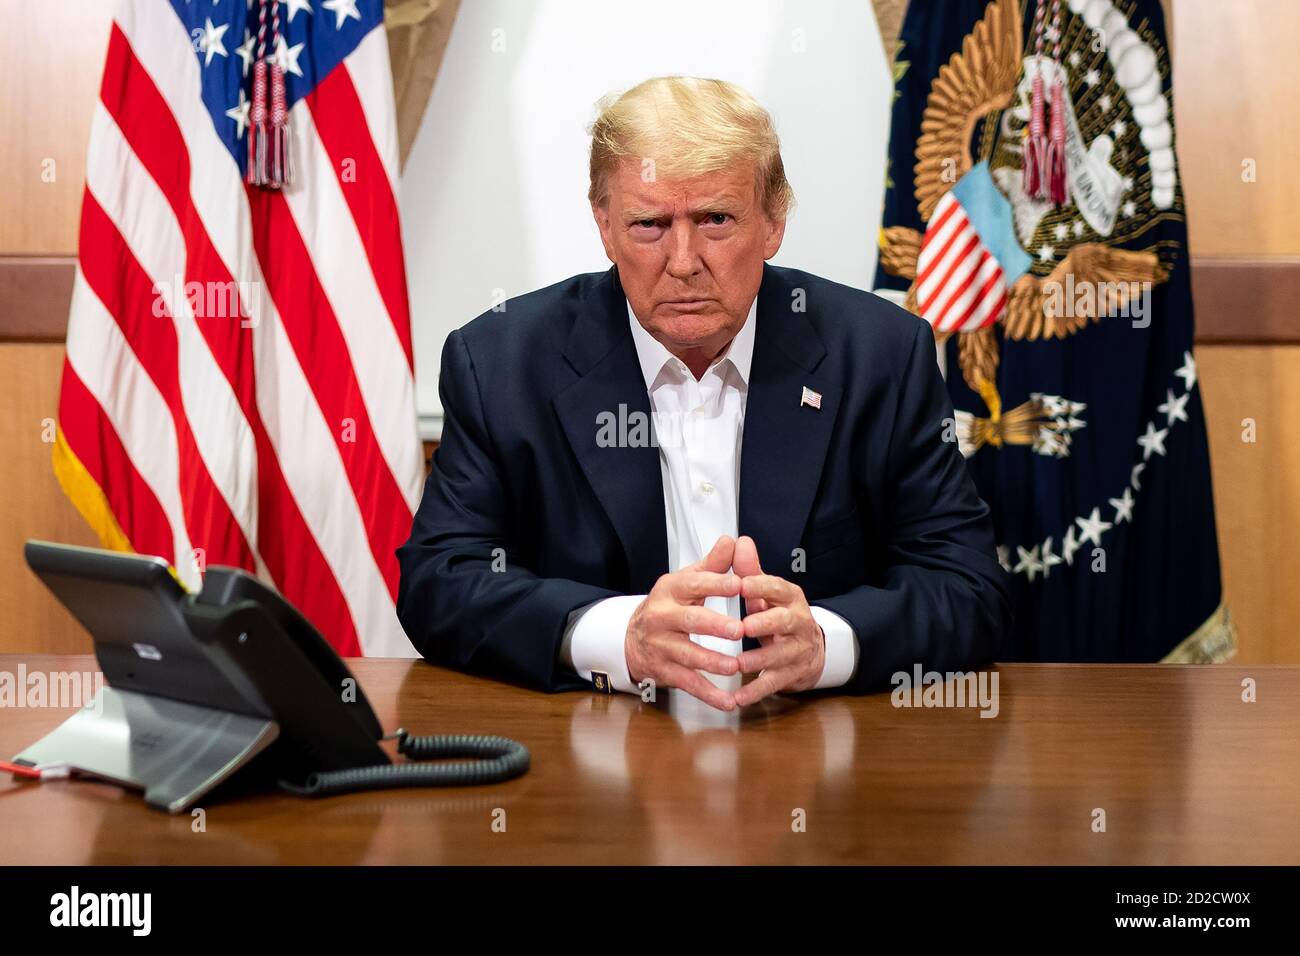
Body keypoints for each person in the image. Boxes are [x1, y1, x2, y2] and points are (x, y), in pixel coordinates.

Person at [397, 76, 1009, 710]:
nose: (684, 261)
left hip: (812, 762)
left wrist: (824, 642)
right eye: (649, 224)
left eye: (716, 219)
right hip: (598, 763)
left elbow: (967, 588)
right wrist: (617, 634)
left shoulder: (880, 355)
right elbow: (440, 583)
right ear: (604, 227)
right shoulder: (501, 363)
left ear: (774, 222)